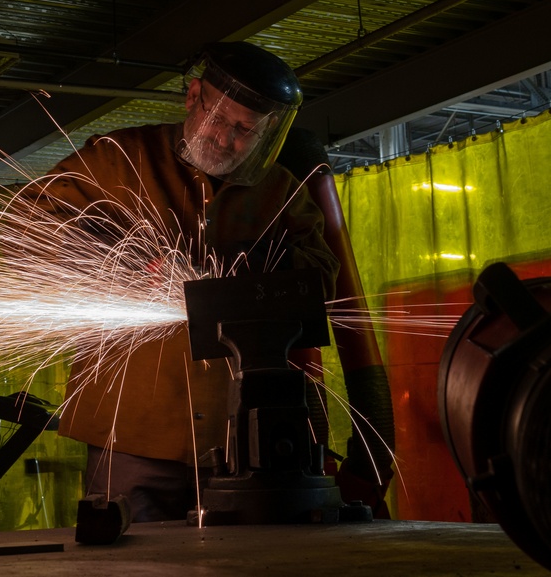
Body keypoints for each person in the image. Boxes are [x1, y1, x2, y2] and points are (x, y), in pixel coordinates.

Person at [20, 41, 340, 522]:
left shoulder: (277, 190)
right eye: (219, 120)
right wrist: (125, 261)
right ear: (193, 97)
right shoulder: (120, 159)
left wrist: (245, 268)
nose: (225, 139)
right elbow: (32, 223)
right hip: (135, 430)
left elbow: (322, 279)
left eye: (243, 132)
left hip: (240, 436)